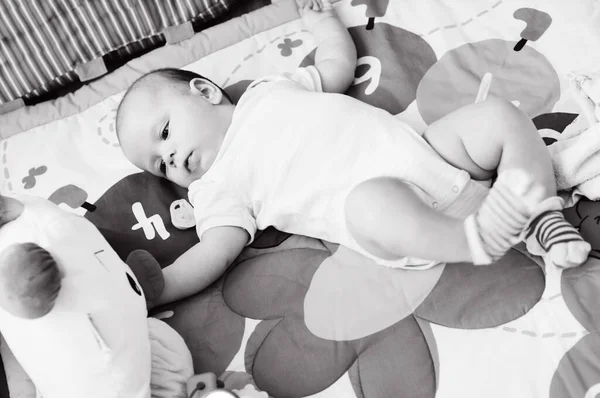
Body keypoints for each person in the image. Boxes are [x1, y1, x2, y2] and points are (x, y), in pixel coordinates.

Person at [115, 0, 591, 307]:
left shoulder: (268, 90)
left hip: (433, 157)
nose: (171, 159)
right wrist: (162, 286)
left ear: (204, 91)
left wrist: (322, 24)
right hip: (398, 223)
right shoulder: (216, 188)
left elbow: (335, 66)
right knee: (371, 201)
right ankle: (474, 240)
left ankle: (543, 218)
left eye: (164, 133)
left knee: (498, 116)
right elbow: (212, 253)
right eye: (159, 165)